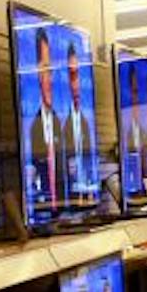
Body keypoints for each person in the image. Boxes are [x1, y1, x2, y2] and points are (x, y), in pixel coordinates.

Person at [25, 26, 65, 210]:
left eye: (52, 71)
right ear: (36, 73)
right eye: (45, 69)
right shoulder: (30, 126)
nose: (50, 78)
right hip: (42, 209)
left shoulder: (59, 123)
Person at [63, 40, 96, 200]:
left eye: (78, 76)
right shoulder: (59, 122)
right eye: (72, 75)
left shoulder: (88, 120)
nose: (76, 84)